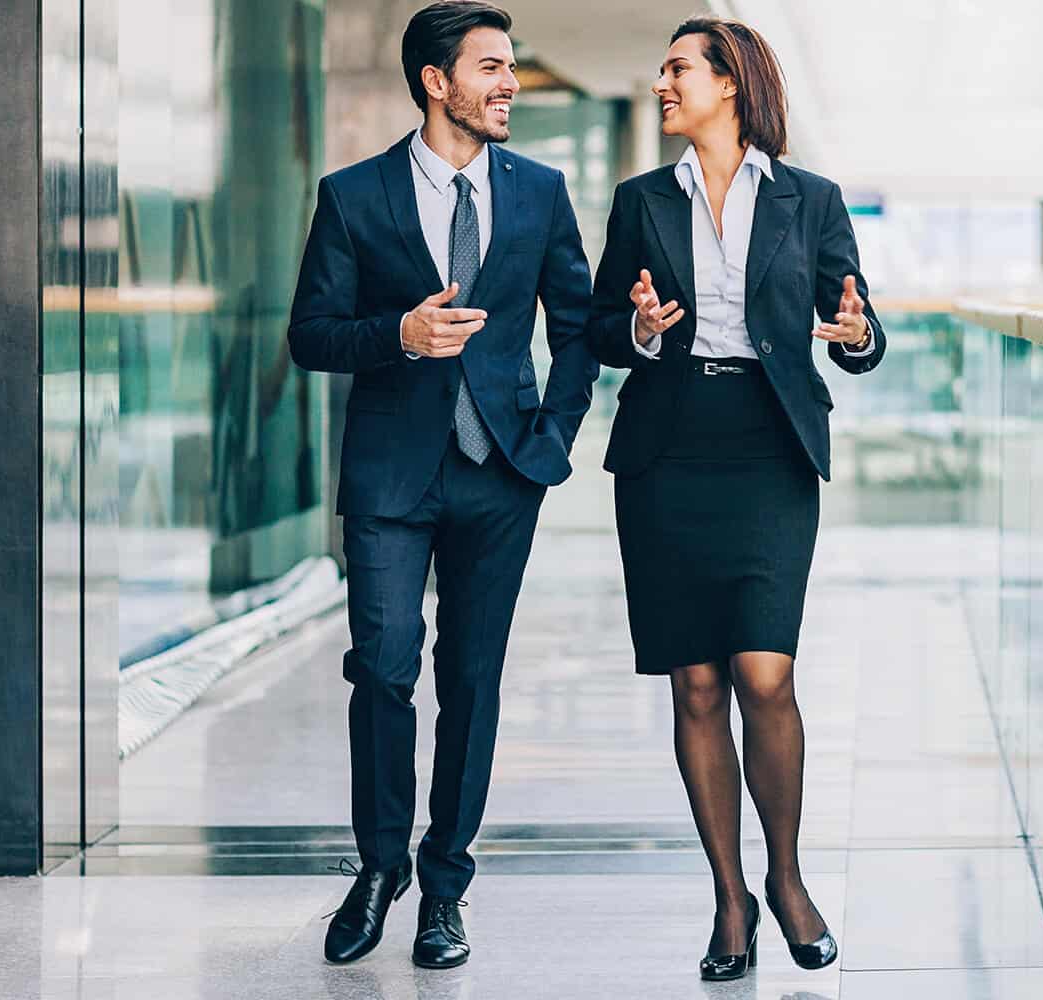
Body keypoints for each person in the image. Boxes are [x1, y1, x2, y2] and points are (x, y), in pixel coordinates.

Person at [286, 0, 597, 970]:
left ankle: (445, 885)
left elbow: (579, 328)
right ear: (436, 81)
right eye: (492, 66)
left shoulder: (541, 192)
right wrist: (398, 335)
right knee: (382, 666)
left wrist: (551, 438)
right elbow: (309, 334)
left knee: (470, 679)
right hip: (389, 474)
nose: (509, 84)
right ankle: (380, 865)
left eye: (511, 68)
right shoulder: (353, 195)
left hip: (502, 474)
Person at [588, 16, 886, 982]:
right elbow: (598, 325)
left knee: (765, 673)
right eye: (666, 69)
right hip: (668, 449)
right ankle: (730, 898)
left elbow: (858, 319)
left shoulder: (809, 198)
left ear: (730, 83)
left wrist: (854, 332)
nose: (664, 83)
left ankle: (787, 878)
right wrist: (635, 325)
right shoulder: (640, 200)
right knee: (699, 682)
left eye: (679, 70)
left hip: (768, 446)